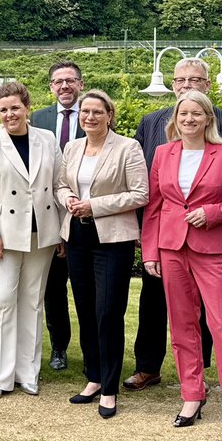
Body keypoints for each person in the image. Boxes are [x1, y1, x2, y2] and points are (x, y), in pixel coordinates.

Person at [126, 57, 222, 393]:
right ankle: (148, 366)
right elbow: (145, 184)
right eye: (181, 79)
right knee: (153, 303)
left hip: (209, 236)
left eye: (196, 79)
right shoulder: (151, 122)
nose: (187, 84)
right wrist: (144, 235)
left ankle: (201, 373)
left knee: (211, 314)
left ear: (207, 85)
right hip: (165, 235)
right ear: (173, 84)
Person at [141, 91, 222, 441]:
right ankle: (192, 396)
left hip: (214, 250)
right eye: (183, 113)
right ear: (175, 118)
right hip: (171, 247)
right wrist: (150, 252)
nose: (189, 119)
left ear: (208, 119)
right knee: (182, 327)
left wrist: (214, 213)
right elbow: (155, 206)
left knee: (221, 326)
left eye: (196, 113)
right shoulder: (163, 152)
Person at [54, 90, 148, 419]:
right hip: (77, 234)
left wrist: (94, 205)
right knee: (85, 308)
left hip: (112, 238)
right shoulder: (72, 146)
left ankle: (109, 388)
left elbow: (140, 193)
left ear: (110, 114)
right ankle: (93, 377)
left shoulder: (128, 147)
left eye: (97, 112)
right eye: (85, 112)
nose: (90, 117)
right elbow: (60, 184)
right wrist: (68, 199)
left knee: (108, 311)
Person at [0, 81, 63, 401]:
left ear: (27, 107)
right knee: (1, 299)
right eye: (3, 109)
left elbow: (58, 184)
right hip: (3, 234)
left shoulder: (47, 139)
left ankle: (28, 372)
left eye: (15, 107)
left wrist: (61, 230)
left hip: (43, 232)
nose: (10, 114)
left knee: (33, 301)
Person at [30, 61, 84, 371]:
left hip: (82, 213)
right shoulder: (38, 119)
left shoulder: (94, 113)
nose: (64, 86)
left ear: (80, 83)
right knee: (52, 289)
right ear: (51, 86)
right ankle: (59, 348)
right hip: (47, 214)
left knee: (83, 286)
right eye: (57, 81)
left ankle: (92, 346)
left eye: (69, 80)